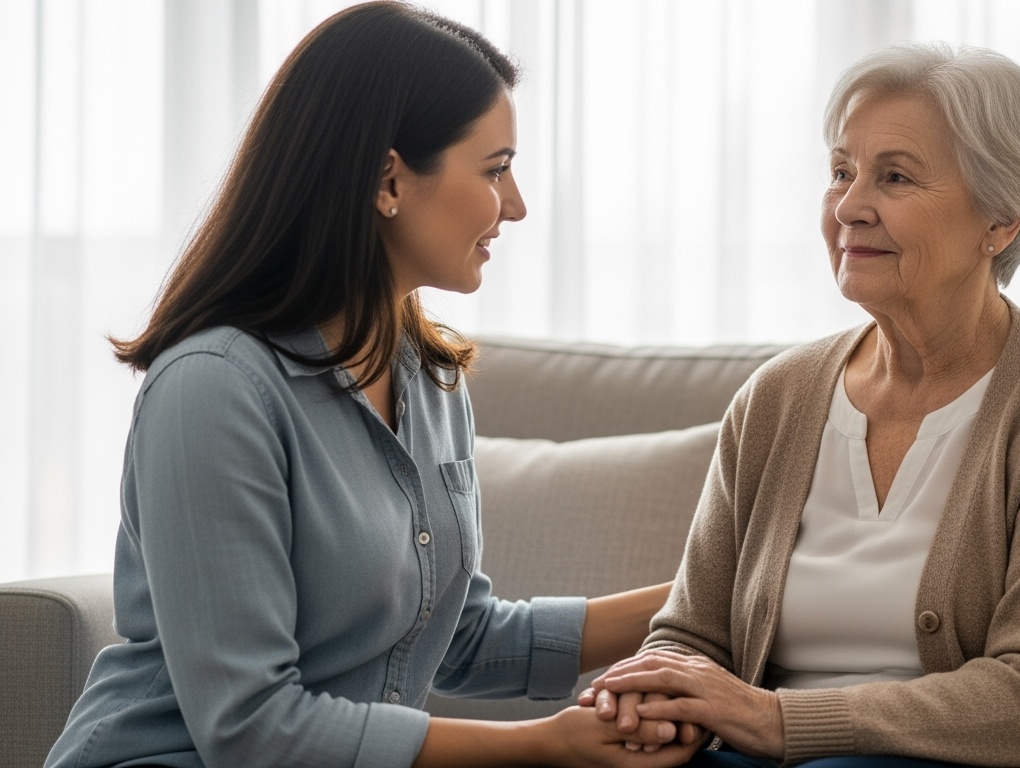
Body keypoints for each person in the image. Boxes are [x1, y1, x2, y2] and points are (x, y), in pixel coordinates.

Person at [43, 4, 704, 767]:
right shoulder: (214, 391)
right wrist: (546, 746)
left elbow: (457, 637)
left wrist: (721, 596)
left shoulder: (428, 378)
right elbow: (249, 727)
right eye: (495, 169)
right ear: (388, 179)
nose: (516, 206)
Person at [583, 42, 1020, 768]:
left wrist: (778, 719)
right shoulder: (776, 398)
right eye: (841, 172)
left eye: (893, 177)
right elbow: (693, 634)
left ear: (1001, 222)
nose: (848, 206)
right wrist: (654, 699)